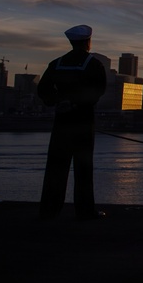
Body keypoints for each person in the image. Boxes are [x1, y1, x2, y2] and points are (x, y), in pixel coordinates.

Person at [37, 24, 107, 220]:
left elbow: (43, 90)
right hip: (83, 122)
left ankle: (49, 210)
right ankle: (85, 211)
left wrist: (58, 101)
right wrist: (77, 103)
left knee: (56, 167)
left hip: (61, 122)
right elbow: (98, 90)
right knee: (83, 168)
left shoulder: (56, 63)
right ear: (88, 42)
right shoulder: (93, 64)